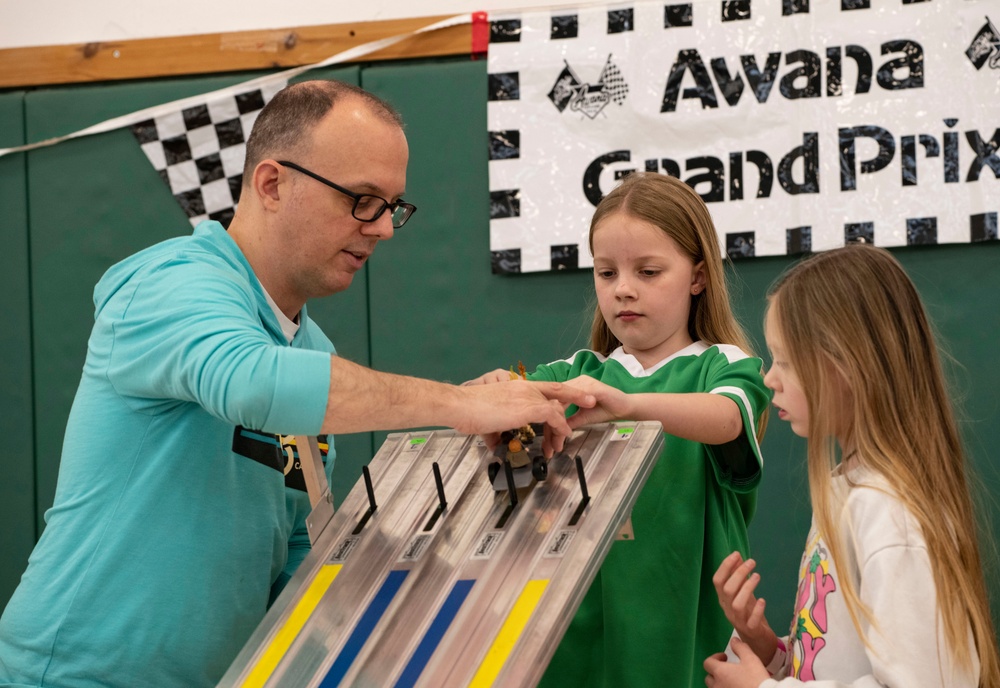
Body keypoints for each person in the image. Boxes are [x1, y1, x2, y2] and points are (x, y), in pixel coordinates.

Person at [0, 80, 596, 688]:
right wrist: (463, 405)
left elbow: (295, 567)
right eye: (363, 199)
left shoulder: (313, 354)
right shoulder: (171, 282)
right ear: (272, 183)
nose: (383, 228)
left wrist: (467, 551)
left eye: (393, 205)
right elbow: (254, 382)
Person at [467, 172, 770, 687]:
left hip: (686, 639)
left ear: (698, 276)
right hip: (576, 643)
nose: (624, 289)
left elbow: (728, 419)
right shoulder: (576, 372)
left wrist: (628, 406)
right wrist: (491, 398)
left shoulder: (723, 365)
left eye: (648, 271)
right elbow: (494, 418)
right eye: (606, 273)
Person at [705, 244, 1000, 687]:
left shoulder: (889, 513)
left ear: (846, 365)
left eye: (786, 360)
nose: (770, 378)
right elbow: (842, 664)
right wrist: (769, 649)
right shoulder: (855, 490)